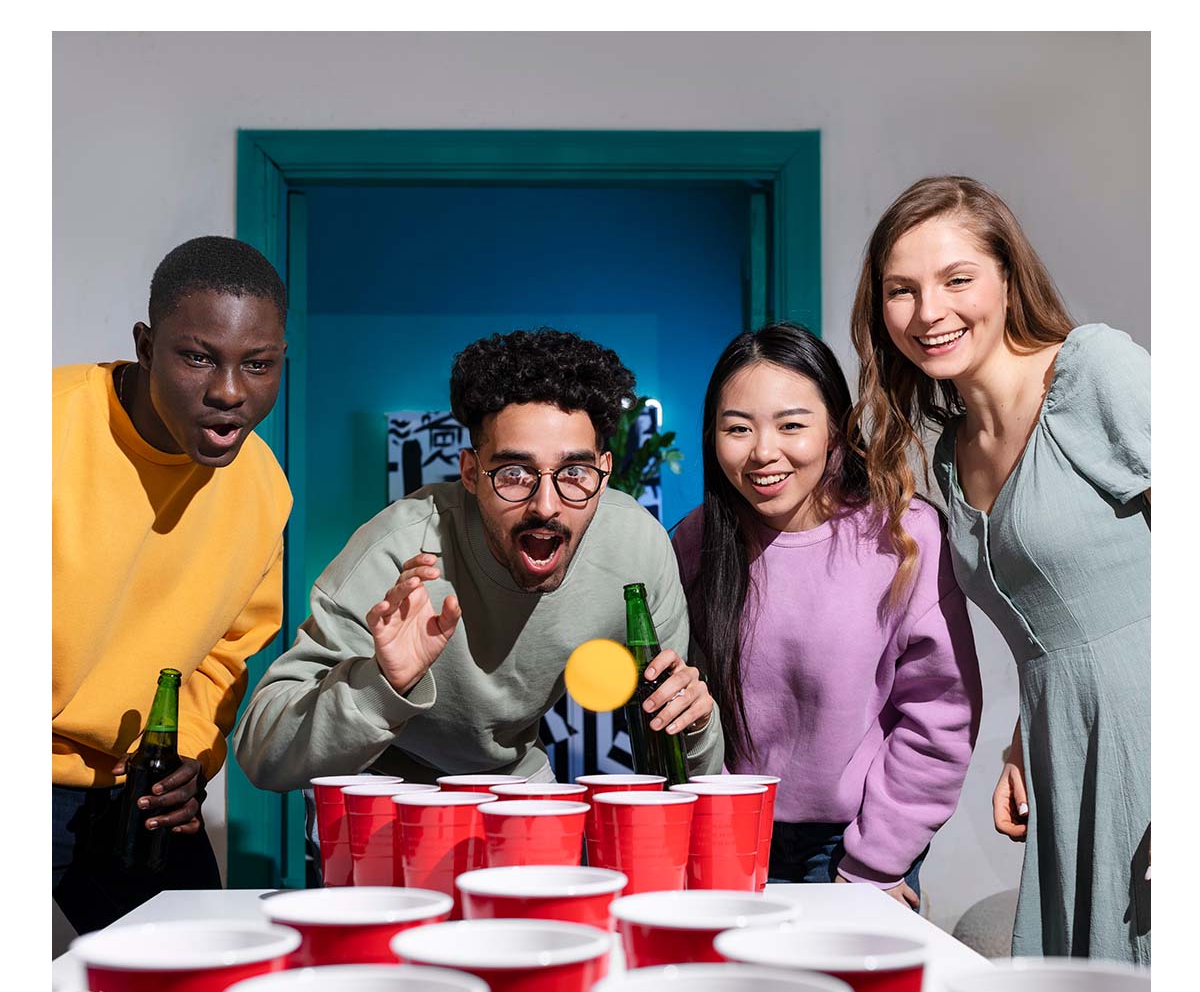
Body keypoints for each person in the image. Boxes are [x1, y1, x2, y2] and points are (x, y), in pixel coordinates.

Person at [848, 175, 1150, 962]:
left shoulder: (1093, 371)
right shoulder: (952, 458)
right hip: (1066, 758)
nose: (929, 312)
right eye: (901, 290)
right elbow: (1051, 618)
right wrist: (1023, 736)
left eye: (957, 279)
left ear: (1008, 279)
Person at [233, 328, 723, 807]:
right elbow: (262, 753)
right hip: (381, 784)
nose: (546, 506)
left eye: (574, 472)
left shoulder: (635, 548)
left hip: (513, 778)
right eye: (514, 473)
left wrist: (695, 724)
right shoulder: (397, 554)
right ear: (470, 472)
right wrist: (382, 683)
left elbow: (678, 762)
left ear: (605, 470)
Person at [672, 322, 982, 907]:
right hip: (723, 839)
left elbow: (940, 713)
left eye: (792, 425)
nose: (764, 452)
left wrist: (877, 863)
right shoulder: (694, 542)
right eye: (737, 428)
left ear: (836, 430)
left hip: (849, 847)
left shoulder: (902, 535)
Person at [53, 236, 292, 933]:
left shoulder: (261, 487)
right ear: (144, 345)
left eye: (259, 365)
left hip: (135, 783)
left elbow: (227, 649)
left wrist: (188, 751)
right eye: (197, 357)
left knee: (199, 990)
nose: (229, 391)